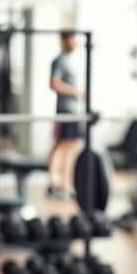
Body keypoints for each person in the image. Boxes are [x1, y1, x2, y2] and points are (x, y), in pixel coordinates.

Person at [47, 30, 84, 200]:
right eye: (72, 39)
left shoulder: (69, 61)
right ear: (64, 40)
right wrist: (75, 93)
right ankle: (56, 182)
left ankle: (65, 183)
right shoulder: (60, 61)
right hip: (66, 111)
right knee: (63, 146)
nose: (75, 43)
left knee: (70, 147)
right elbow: (54, 84)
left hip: (73, 112)